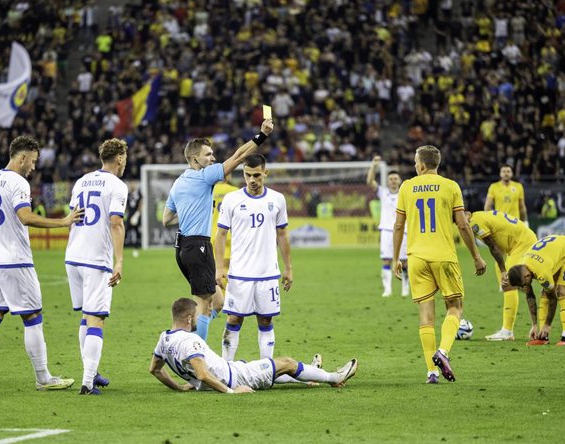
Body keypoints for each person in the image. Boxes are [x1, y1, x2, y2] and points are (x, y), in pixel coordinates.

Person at [0, 135, 85, 395]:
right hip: (14, 261)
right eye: (32, 161)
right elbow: (25, 217)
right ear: (21, 157)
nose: (33, 166)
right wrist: (63, 222)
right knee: (32, 317)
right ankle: (43, 378)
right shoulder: (18, 182)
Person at [162, 119, 274, 341]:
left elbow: (166, 219)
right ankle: (196, 358)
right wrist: (262, 135)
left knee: (218, 302)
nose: (213, 158)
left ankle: (188, 336)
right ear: (195, 159)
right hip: (198, 246)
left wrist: (188, 212)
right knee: (204, 304)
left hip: (182, 247)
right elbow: (240, 156)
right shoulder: (204, 176)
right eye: (208, 155)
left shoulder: (178, 182)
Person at [392, 145, 486, 384]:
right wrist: (476, 256)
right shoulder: (451, 186)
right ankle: (443, 352)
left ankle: (431, 373)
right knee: (455, 307)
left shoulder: (406, 187)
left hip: (416, 258)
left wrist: (395, 258)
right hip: (444, 255)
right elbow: (463, 225)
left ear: (422, 165)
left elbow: (398, 226)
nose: (415, 166)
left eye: (415, 162)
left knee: (426, 317)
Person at [149, 297, 358, 393]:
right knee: (287, 363)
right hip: (234, 378)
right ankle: (334, 378)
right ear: (187, 318)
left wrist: (180, 388)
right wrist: (232, 392)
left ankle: (309, 377)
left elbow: (155, 370)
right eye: (195, 316)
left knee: (271, 367)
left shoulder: (164, 338)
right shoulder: (190, 341)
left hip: (230, 371)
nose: (198, 319)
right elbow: (203, 374)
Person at [215, 154, 292, 365]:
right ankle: (226, 367)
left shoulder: (277, 199)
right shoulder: (231, 200)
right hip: (239, 273)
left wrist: (288, 268)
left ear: (265, 173)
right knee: (233, 319)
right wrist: (219, 268)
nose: (252, 180)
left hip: (267, 273)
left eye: (256, 175)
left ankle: (266, 368)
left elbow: (283, 235)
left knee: (266, 320)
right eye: (248, 175)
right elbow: (220, 235)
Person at [65, 138, 128, 395]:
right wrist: (119, 260)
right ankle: (88, 381)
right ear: (120, 158)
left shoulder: (81, 181)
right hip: (95, 259)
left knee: (86, 316)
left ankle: (90, 371)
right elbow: (116, 222)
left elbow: (73, 217)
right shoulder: (117, 185)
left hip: (73, 255)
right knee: (97, 319)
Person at [464, 210, 537, 341]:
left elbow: (493, 247)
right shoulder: (479, 216)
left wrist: (504, 271)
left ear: (467, 213)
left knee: (508, 282)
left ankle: (507, 331)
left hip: (522, 243)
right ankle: (508, 328)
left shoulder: (475, 222)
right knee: (501, 272)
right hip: (515, 245)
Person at [483, 164, 528, 340]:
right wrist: (491, 221)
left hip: (515, 233)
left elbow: (522, 206)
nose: (506, 173)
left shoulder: (519, 187)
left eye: (508, 171)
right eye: (503, 171)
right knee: (504, 271)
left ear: (511, 173)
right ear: (500, 173)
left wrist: (525, 222)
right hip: (502, 232)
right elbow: (488, 205)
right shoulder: (494, 187)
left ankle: (507, 330)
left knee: (509, 282)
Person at [507, 235, 565, 346]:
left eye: (524, 285)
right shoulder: (522, 267)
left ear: (527, 276)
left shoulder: (541, 272)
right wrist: (534, 324)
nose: (524, 287)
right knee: (545, 292)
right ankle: (543, 337)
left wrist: (548, 325)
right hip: (552, 253)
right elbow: (530, 296)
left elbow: (553, 299)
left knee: (561, 292)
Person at [366, 156, 409, 297]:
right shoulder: (383, 192)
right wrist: (374, 166)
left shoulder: (405, 193)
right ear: (388, 181)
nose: (393, 181)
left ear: (400, 181)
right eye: (391, 179)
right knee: (386, 259)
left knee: (404, 261)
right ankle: (387, 289)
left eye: (396, 178)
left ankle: (405, 287)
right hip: (386, 230)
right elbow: (369, 181)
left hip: (403, 230)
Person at [209, 174, 239, 314]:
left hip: (213, 233)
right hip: (231, 234)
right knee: (229, 268)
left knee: (216, 268)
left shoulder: (210, 191)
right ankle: (229, 300)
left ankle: (218, 299)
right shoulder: (235, 191)